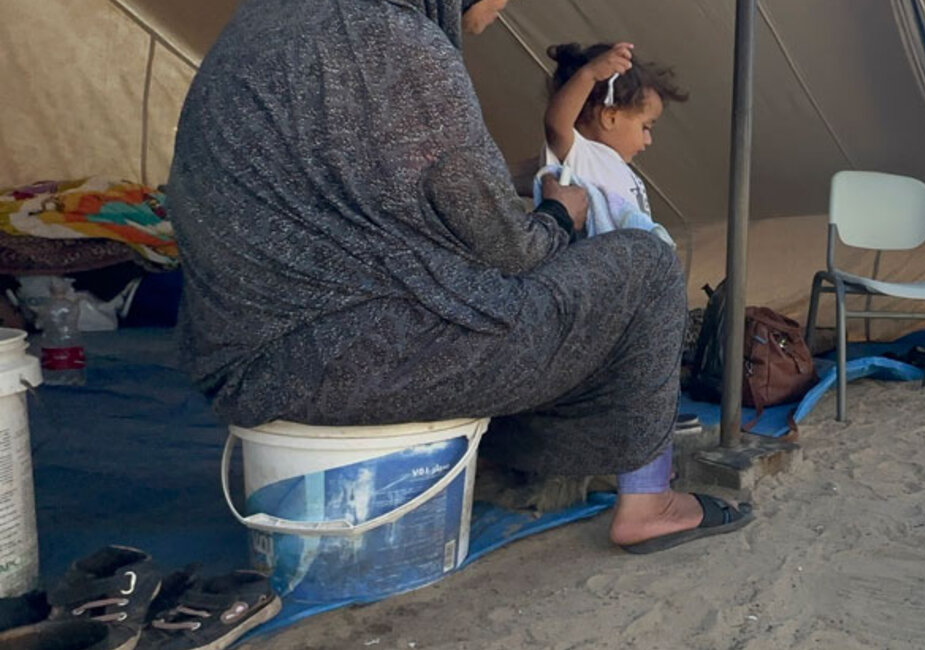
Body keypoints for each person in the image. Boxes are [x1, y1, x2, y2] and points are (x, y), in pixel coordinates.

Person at [168, 0, 750, 555]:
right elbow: (510, 249)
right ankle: (647, 503)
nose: (503, 10)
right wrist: (555, 217)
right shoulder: (402, 41)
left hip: (241, 366)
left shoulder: (262, 23)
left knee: (486, 287)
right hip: (343, 359)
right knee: (644, 264)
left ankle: (525, 459)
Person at [543, 42, 687, 244]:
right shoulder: (581, 153)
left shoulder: (616, 165)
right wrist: (590, 75)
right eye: (645, 127)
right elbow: (556, 124)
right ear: (610, 116)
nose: (648, 141)